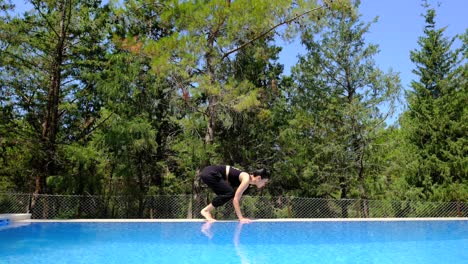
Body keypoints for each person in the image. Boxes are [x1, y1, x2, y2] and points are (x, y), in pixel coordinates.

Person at [199, 165, 270, 222]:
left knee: (227, 194)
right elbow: (235, 200)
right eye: (265, 182)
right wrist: (241, 218)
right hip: (211, 173)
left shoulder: (246, 179)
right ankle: (206, 210)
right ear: (259, 178)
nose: (264, 184)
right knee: (229, 193)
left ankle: (206, 210)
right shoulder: (246, 179)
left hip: (209, 173)